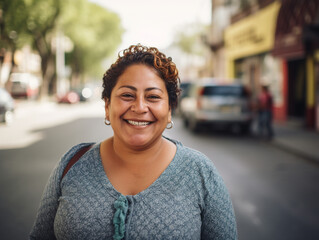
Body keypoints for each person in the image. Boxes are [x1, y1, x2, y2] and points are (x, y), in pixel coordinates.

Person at [30, 44, 238, 239]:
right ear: (107, 106)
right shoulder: (72, 165)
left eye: (153, 97)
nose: (139, 107)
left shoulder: (200, 173)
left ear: (170, 110)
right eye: (127, 95)